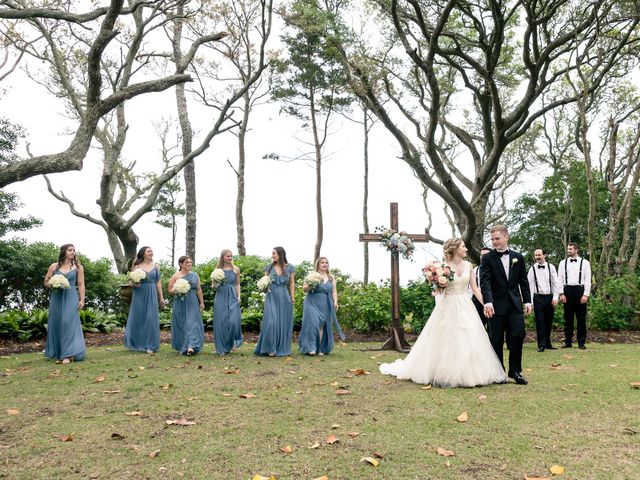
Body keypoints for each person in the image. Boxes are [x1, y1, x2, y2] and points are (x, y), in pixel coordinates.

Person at [379, 238, 507, 387]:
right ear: (455, 249)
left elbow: (475, 288)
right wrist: (437, 284)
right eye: (463, 246)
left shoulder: (468, 265)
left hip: (466, 305)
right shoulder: (441, 267)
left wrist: (486, 304)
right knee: (447, 338)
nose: (466, 249)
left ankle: (471, 373)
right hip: (447, 305)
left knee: (469, 337)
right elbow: (437, 291)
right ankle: (443, 372)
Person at [480, 225, 532, 385]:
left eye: (497, 238)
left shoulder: (518, 257)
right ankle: (498, 371)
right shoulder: (487, 259)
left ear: (506, 237)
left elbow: (523, 280)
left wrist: (527, 300)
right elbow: (485, 282)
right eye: (492, 239)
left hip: (515, 305)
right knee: (496, 339)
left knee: (518, 335)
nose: (494, 242)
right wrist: (488, 302)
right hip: (495, 305)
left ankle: (515, 371)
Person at [44, 244, 86, 364]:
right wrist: (53, 284)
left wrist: (82, 300)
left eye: (74, 250)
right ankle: (60, 352)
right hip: (57, 296)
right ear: (64, 252)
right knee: (57, 322)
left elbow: (81, 284)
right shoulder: (54, 266)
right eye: (70, 250)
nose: (73, 252)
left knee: (68, 323)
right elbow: (46, 281)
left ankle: (68, 354)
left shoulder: (78, 267)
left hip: (71, 296)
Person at [298, 256, 345, 356]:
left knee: (321, 326)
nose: (324, 264)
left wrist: (335, 302)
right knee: (312, 324)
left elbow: (333, 290)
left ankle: (319, 349)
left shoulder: (331, 278)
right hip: (311, 302)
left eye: (326, 262)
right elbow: (304, 289)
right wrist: (312, 284)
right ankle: (311, 348)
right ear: (318, 265)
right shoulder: (312, 275)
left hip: (325, 304)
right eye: (322, 262)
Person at [255, 246, 295, 357]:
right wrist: (262, 287)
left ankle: (279, 347)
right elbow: (264, 281)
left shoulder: (290, 267)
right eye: (272, 253)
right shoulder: (268, 267)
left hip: (284, 296)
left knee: (282, 322)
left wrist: (292, 297)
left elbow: (292, 283)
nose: (272, 256)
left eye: (274, 253)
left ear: (280, 254)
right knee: (271, 322)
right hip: (271, 296)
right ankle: (269, 348)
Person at [124, 246, 166, 354]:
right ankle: (138, 343)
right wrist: (135, 283)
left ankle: (150, 345)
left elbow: (158, 282)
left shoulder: (156, 266)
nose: (151, 252)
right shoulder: (136, 266)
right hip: (139, 294)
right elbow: (130, 281)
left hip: (151, 292)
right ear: (143, 253)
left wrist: (161, 297)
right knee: (139, 318)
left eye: (152, 251)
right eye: (149, 251)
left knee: (151, 318)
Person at [168, 255, 205, 355]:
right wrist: (177, 289)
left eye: (190, 262)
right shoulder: (176, 276)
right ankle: (184, 345)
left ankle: (190, 346)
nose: (189, 264)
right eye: (187, 262)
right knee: (182, 324)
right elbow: (170, 290)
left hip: (192, 302)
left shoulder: (195, 275)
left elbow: (198, 289)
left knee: (192, 324)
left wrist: (201, 302)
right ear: (181, 264)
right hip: (180, 302)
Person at [557, 242, 591, 349]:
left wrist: (586, 295)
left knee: (581, 319)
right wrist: (561, 293)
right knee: (568, 319)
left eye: (570, 249)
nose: (568, 251)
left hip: (580, 290)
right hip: (567, 291)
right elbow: (560, 279)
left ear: (576, 250)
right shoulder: (562, 263)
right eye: (568, 249)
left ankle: (581, 343)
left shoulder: (585, 263)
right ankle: (568, 342)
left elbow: (588, 279)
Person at [527, 248, 560, 352]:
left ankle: (548, 343)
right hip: (538, 298)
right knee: (540, 321)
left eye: (539, 255)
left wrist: (555, 297)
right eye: (536, 255)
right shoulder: (532, 269)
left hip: (549, 297)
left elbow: (555, 283)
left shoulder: (551, 267)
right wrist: (530, 302)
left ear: (544, 255)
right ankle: (541, 345)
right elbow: (530, 286)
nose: (537, 257)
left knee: (548, 321)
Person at [212, 249, 243, 355]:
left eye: (231, 256)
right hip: (220, 295)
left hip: (233, 295)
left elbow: (237, 283)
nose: (230, 258)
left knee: (234, 321)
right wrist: (216, 282)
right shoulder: (217, 270)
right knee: (221, 322)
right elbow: (213, 286)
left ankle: (232, 341)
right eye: (228, 256)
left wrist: (239, 296)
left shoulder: (236, 269)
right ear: (223, 257)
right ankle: (221, 347)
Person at [471, 246, 492, 329]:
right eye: (481, 255)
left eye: (485, 255)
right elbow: (470, 288)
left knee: (492, 327)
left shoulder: (496, 269)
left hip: (492, 300)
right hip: (477, 301)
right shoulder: (475, 270)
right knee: (478, 326)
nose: (483, 257)